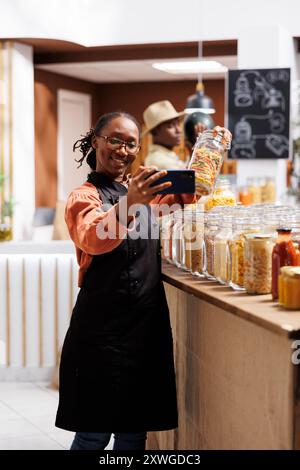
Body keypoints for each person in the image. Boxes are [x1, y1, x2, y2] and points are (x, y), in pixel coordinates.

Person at [55, 111, 196, 451]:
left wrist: (204, 152)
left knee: (134, 432)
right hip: (101, 331)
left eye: (131, 143)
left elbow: (187, 197)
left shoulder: (145, 194)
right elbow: (93, 237)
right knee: (94, 433)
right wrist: (130, 202)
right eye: (114, 140)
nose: (122, 149)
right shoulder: (84, 197)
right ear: (96, 143)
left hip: (145, 327)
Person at [143, 100, 186, 170]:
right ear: (155, 131)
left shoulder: (168, 155)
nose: (179, 130)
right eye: (170, 126)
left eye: (178, 124)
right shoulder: (157, 161)